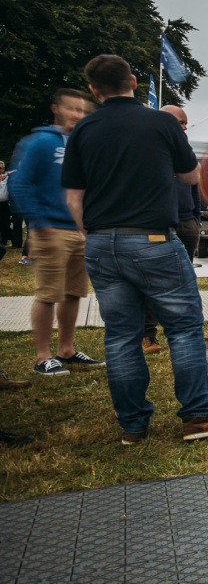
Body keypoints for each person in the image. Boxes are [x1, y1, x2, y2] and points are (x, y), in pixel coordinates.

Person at [62, 54, 208, 445]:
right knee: (182, 329)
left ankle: (133, 427)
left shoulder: (84, 129)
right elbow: (190, 175)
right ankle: (197, 417)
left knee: (120, 336)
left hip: (100, 241)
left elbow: (73, 198)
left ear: (94, 90)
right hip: (152, 240)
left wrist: (95, 234)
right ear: (132, 80)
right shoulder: (162, 122)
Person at [9, 90, 105, 376]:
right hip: (51, 229)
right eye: (72, 109)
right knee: (48, 294)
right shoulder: (39, 142)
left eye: (83, 110)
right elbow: (20, 184)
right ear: (56, 109)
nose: (78, 115)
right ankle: (42, 358)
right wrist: (39, 221)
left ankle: (66, 349)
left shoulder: (83, 144)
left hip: (79, 232)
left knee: (74, 294)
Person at [142, 105, 206, 354]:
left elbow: (194, 186)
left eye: (186, 122)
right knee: (154, 281)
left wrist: (195, 218)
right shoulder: (148, 150)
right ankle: (148, 336)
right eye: (181, 122)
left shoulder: (185, 151)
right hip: (159, 225)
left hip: (187, 222)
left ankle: (190, 332)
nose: (185, 127)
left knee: (186, 281)